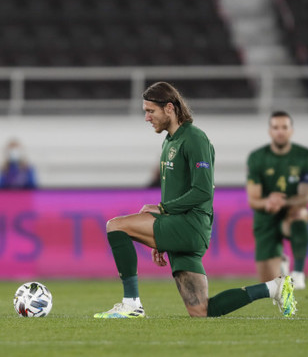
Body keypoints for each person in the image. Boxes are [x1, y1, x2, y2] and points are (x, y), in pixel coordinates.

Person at [94, 82, 296, 319]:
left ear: (169, 108)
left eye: (151, 111)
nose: (147, 117)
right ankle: (274, 288)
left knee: (116, 226)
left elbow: (202, 191)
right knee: (200, 310)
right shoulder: (169, 141)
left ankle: (131, 303)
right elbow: (177, 191)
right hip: (179, 227)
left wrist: (161, 208)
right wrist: (162, 234)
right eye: (145, 111)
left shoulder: (195, 139)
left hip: (190, 227)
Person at [247, 111, 308, 290]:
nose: (280, 131)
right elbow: (254, 200)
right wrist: (268, 202)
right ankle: (281, 259)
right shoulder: (257, 158)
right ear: (270, 131)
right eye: (276, 127)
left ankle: (298, 273)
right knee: (270, 284)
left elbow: (305, 196)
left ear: (291, 130)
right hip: (265, 218)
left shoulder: (304, 156)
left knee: (301, 213)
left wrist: (283, 202)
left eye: (284, 127)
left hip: (290, 212)